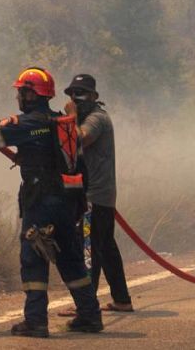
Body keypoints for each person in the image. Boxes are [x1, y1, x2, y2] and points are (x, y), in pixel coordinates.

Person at [0, 66, 103, 337]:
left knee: (33, 257)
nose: (18, 97)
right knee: (69, 257)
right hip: (67, 201)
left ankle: (36, 320)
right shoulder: (61, 122)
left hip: (41, 201)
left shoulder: (28, 124)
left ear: (30, 94)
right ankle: (89, 315)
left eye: (21, 92)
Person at [66, 73, 133, 313]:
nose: (75, 98)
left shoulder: (95, 119)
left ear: (94, 96)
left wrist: (70, 117)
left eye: (80, 94)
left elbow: (78, 141)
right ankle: (122, 299)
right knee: (105, 247)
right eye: (72, 94)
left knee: (88, 249)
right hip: (100, 195)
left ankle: (86, 305)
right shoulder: (88, 118)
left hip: (94, 196)